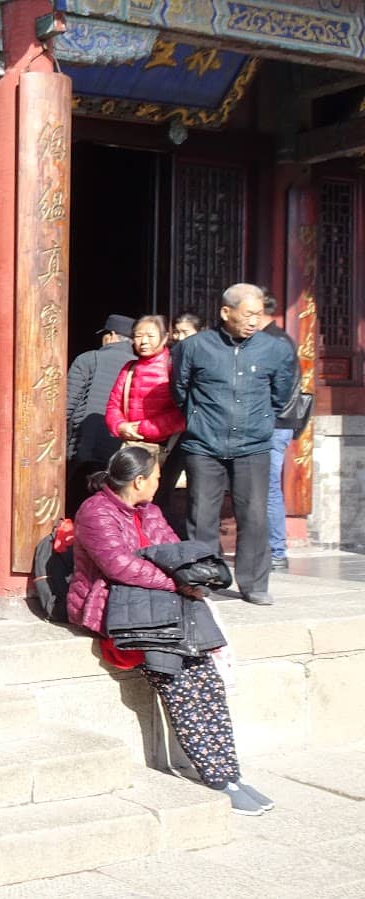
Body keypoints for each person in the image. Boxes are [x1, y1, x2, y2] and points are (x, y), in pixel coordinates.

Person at [66, 447, 272, 816]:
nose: (161, 483)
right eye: (157, 477)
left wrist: (191, 577)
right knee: (177, 680)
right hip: (113, 607)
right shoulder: (95, 512)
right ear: (139, 480)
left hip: (156, 603)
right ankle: (216, 778)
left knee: (206, 676)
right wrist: (174, 584)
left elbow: (172, 550)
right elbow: (119, 567)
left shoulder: (152, 510)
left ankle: (231, 772)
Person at [171, 284, 297, 606]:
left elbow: (282, 394)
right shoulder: (195, 347)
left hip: (253, 443)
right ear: (226, 312)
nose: (255, 321)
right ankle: (205, 578)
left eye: (259, 314)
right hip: (204, 443)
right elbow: (180, 391)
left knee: (253, 515)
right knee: (202, 515)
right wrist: (200, 420)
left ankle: (254, 583)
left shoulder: (275, 349)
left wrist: (259, 420)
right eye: (248, 314)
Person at [105, 315, 187, 533]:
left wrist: (141, 428)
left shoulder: (174, 368)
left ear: (164, 337)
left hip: (165, 448)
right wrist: (121, 426)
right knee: (126, 497)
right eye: (138, 336)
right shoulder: (129, 368)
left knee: (157, 501)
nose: (143, 341)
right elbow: (113, 405)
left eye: (150, 336)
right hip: (134, 445)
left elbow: (182, 414)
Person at [257, 290, 307, 571]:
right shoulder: (270, 339)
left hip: (274, 424)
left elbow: (284, 389)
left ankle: (276, 551)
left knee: (268, 487)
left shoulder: (275, 342)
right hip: (271, 423)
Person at [67, 314, 137, 506]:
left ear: (112, 335)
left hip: (85, 448)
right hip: (123, 449)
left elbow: (67, 406)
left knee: (80, 503)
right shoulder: (138, 366)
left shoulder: (89, 359)